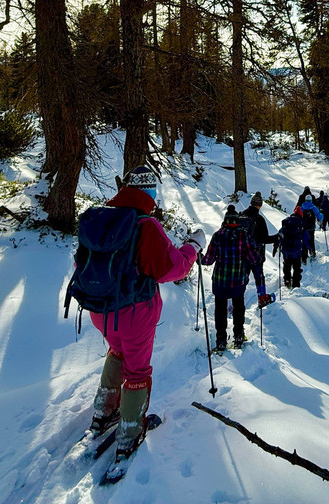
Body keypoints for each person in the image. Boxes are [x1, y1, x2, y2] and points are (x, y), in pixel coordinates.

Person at [86, 166, 200, 460]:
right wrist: (193, 248)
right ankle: (130, 432)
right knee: (137, 370)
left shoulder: (100, 219)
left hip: (101, 310)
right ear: (148, 192)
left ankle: (103, 411)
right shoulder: (145, 225)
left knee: (116, 351)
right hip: (134, 313)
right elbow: (170, 269)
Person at [199, 205, 269, 351]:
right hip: (238, 281)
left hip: (220, 281)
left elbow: (208, 260)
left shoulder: (218, 236)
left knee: (220, 310)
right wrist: (259, 257)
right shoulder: (244, 236)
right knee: (238, 307)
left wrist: (198, 257)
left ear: (225, 221)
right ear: (237, 221)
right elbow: (253, 258)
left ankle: (221, 340)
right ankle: (238, 336)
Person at [241, 191, 278, 280]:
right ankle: (261, 293)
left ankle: (240, 293)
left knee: (242, 278)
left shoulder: (241, 216)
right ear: (259, 206)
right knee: (259, 277)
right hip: (256, 254)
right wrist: (277, 237)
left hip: (242, 253)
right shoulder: (259, 219)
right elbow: (265, 239)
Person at [274, 209, 311, 288]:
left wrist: (276, 246)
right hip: (296, 251)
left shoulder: (286, 222)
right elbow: (306, 238)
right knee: (297, 268)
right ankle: (296, 284)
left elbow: (279, 235)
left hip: (286, 250)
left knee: (287, 266)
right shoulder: (300, 224)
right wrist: (308, 248)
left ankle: (287, 281)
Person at [299, 194, 323, 260]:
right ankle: (312, 253)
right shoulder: (314, 207)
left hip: (304, 227)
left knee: (304, 240)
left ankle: (304, 255)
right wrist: (322, 215)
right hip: (312, 227)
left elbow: (298, 216)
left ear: (305, 200)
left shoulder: (302, 208)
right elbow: (319, 217)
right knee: (311, 240)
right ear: (311, 200)